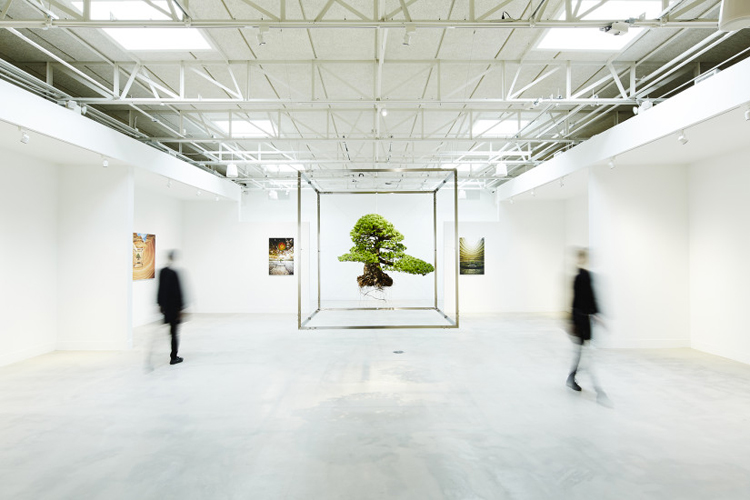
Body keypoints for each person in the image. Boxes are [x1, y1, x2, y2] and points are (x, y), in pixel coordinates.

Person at [567, 248, 606, 401]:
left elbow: (591, 299)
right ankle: (572, 377)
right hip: (581, 319)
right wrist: (573, 321)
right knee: (583, 352)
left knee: (582, 351)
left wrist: (597, 315)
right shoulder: (580, 277)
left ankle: (572, 376)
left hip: (585, 319)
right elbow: (576, 301)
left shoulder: (587, 276)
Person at [157, 250, 185, 365]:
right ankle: (174, 357)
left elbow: (160, 290)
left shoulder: (162, 272)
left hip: (166, 307)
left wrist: (160, 305)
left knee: (171, 332)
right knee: (174, 333)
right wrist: (181, 309)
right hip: (173, 308)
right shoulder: (174, 274)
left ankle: (174, 355)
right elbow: (178, 292)